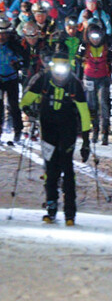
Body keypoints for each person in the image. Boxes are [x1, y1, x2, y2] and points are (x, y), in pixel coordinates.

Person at [19, 52, 92, 225]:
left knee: (67, 168)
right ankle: (51, 208)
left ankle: (70, 212)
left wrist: (86, 141)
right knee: (51, 169)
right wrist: (29, 110)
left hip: (68, 130)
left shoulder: (74, 84)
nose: (59, 75)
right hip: (48, 130)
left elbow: (84, 113)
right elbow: (25, 101)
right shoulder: (44, 80)